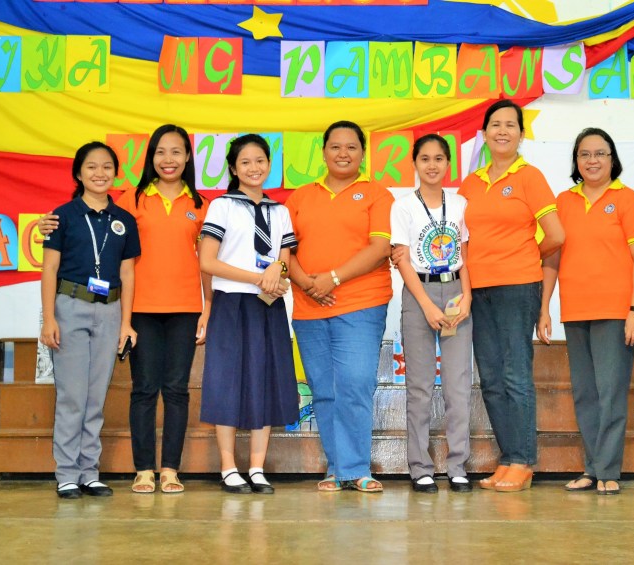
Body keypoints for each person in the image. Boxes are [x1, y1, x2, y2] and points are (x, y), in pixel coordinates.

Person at [39, 124, 211, 495]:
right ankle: (125, 471)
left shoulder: (199, 205)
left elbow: (204, 261)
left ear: (187, 157)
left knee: (165, 391)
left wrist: (208, 305)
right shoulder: (129, 200)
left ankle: (157, 470)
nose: (168, 159)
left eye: (176, 151)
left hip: (166, 309)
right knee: (130, 391)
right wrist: (45, 223)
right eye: (160, 151)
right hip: (131, 310)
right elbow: (65, 252)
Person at [538, 128, 634, 496]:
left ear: (612, 158)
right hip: (575, 312)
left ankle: (608, 471)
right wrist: (544, 308)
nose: (592, 160)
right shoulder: (563, 201)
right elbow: (551, 259)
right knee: (585, 394)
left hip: (616, 312)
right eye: (584, 154)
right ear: (576, 161)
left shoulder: (629, 200)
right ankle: (592, 468)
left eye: (600, 153)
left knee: (610, 393)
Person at [459, 100, 565, 492]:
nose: (502, 131)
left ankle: (523, 461)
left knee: (515, 374)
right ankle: (508, 459)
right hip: (478, 290)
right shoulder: (471, 183)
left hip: (517, 287)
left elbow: (556, 235)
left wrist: (523, 256)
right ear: (484, 134)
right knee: (490, 378)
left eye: (510, 125)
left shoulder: (529, 177)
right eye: (495, 124)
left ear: (521, 134)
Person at [287, 121, 393, 493]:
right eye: (335, 146)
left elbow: (380, 249)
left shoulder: (377, 194)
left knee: (355, 383)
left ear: (363, 153)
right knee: (323, 388)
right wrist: (307, 283)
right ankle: (336, 468)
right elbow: (285, 251)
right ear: (324, 152)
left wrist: (331, 278)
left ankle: (357, 468)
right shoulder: (301, 197)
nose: (343, 153)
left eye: (351, 147)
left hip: (361, 303)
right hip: (308, 306)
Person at [198, 134, 299, 494]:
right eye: (245, 162)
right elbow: (207, 261)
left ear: (269, 165)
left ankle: (257, 468)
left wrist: (277, 274)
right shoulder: (222, 206)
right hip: (231, 303)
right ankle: (228, 467)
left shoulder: (280, 211)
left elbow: (285, 263)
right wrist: (259, 277)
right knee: (226, 381)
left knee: (266, 379)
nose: (254, 168)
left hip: (268, 305)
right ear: (233, 169)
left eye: (260, 161)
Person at [40, 141, 140, 499]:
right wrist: (49, 318)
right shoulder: (62, 216)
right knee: (72, 396)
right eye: (92, 167)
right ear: (78, 174)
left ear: (116, 173)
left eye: (107, 167)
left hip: (110, 311)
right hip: (70, 307)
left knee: (96, 397)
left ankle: (89, 472)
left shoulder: (124, 220)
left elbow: (128, 274)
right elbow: (49, 268)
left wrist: (126, 323)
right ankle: (67, 474)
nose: (100, 173)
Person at [391, 134, 473, 494]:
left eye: (439, 158)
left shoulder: (460, 204)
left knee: (458, 385)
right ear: (414, 164)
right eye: (425, 158)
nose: (432, 165)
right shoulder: (403, 207)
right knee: (420, 387)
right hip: (418, 294)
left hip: (455, 293)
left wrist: (467, 297)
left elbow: (465, 256)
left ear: (448, 164)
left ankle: (457, 466)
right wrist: (425, 304)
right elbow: (402, 259)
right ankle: (420, 467)